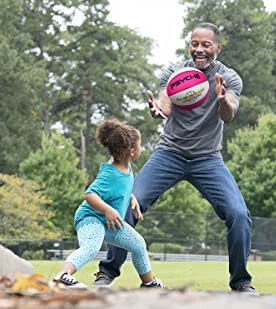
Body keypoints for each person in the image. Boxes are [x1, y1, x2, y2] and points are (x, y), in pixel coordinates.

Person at [93, 22, 256, 293]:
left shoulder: (229, 78)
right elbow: (164, 104)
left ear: (218, 47)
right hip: (169, 154)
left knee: (239, 214)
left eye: (206, 44)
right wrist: (158, 109)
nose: (199, 49)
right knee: (127, 204)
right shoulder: (174, 73)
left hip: (208, 159)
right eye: (195, 43)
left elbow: (229, 114)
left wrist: (222, 99)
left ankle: (241, 281)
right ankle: (107, 271)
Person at [53, 119, 165, 289]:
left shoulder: (125, 165)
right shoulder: (110, 174)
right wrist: (107, 210)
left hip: (109, 222)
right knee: (91, 247)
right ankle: (62, 276)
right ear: (132, 151)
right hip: (91, 218)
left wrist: (131, 198)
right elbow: (90, 194)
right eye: (140, 145)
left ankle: (149, 283)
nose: (141, 148)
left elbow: (120, 190)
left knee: (138, 244)